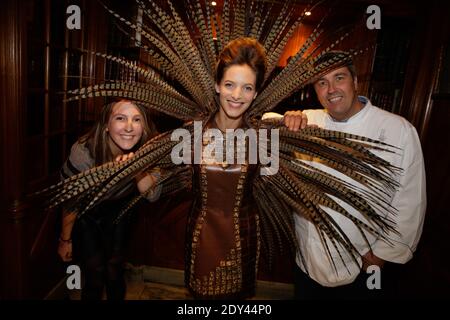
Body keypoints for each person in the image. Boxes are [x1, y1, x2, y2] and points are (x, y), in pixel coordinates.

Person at [264, 50, 427, 299]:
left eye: (339, 78)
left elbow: (410, 201)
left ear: (355, 81)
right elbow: (262, 127)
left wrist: (381, 255)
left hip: (364, 265)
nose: (331, 89)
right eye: (322, 82)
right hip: (309, 262)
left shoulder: (398, 130)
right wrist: (283, 121)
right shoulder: (308, 120)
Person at [58, 99, 161, 300]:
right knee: (94, 272)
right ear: (106, 125)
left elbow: (153, 195)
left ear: (144, 126)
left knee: (114, 269)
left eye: (137, 119)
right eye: (120, 118)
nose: (129, 127)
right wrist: (65, 239)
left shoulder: (151, 150)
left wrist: (137, 169)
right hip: (88, 213)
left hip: (121, 210)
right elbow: (71, 199)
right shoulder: (84, 152)